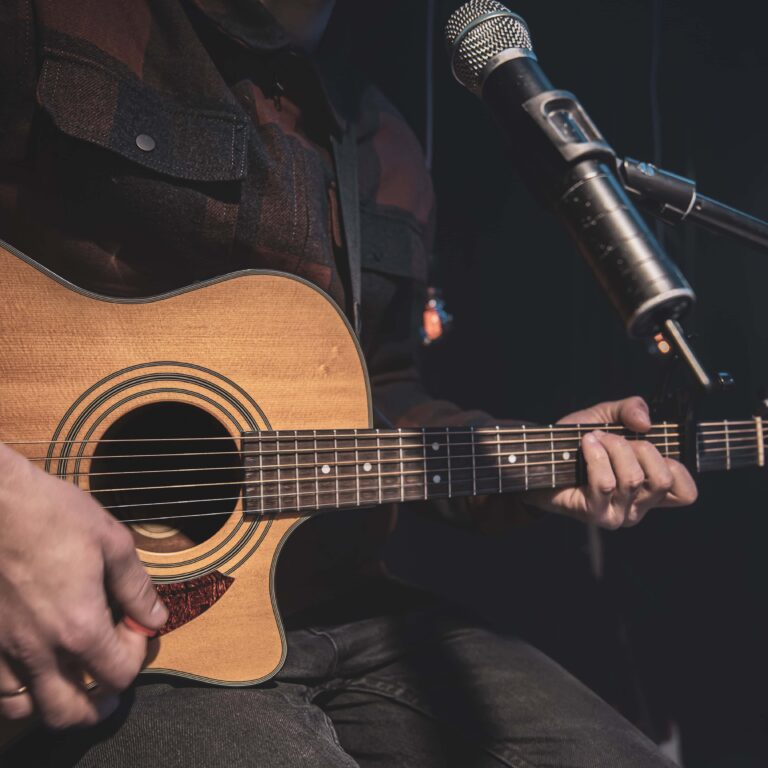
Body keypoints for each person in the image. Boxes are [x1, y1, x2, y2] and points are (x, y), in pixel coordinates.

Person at [0, 1, 697, 765]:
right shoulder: (56, 20)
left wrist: (529, 464)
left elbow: (377, 397)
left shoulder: (385, 145)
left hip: (340, 606)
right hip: (109, 628)